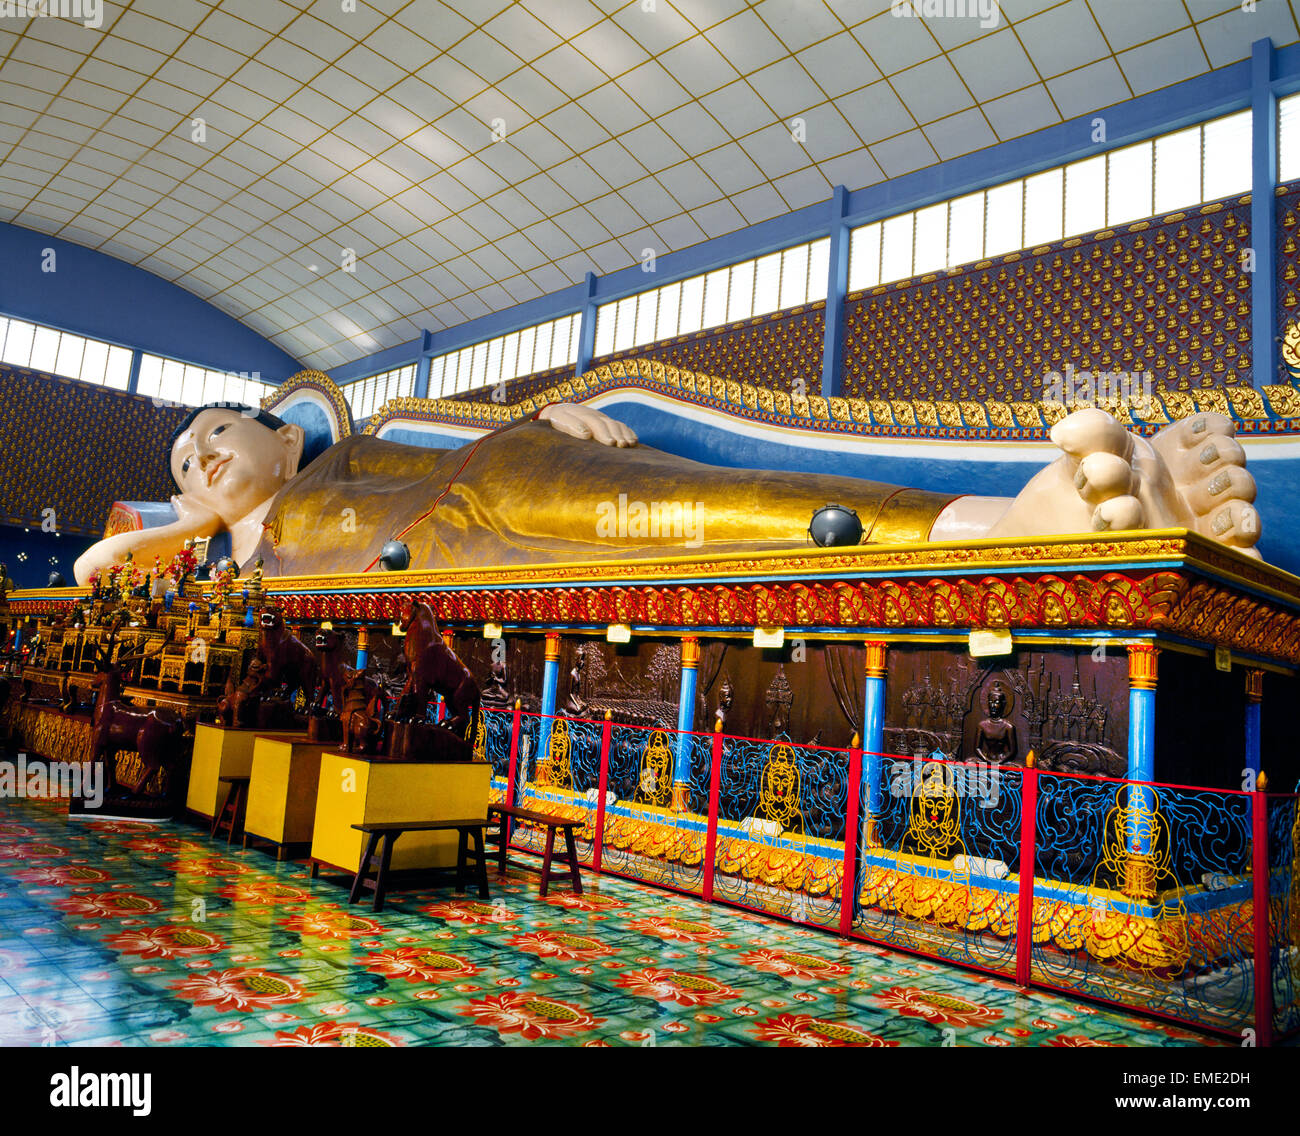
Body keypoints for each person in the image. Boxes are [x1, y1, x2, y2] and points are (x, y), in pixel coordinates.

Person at [73, 398, 1262, 586]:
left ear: (285, 437)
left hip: (487, 487)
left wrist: (536, 421)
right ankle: (1026, 521)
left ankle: (1010, 522)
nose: (205, 462)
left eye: (218, 435)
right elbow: (95, 566)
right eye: (185, 466)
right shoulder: (219, 559)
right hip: (442, 567)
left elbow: (441, 442)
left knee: (731, 505)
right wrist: (147, 531)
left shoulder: (355, 449)